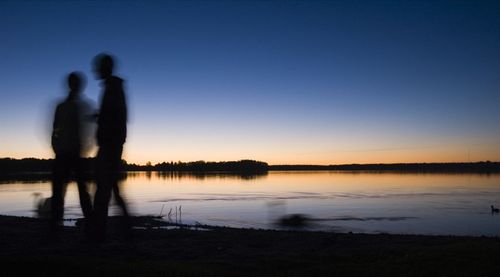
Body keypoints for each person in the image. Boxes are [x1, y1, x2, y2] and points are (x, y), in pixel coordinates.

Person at [91, 53, 130, 241]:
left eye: (98, 67)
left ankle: (99, 232)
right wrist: (99, 117)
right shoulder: (112, 87)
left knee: (103, 188)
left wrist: (104, 127)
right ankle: (124, 227)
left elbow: (117, 115)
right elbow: (114, 114)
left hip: (110, 145)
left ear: (106, 68)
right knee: (111, 188)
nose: (96, 70)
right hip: (111, 144)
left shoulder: (113, 87)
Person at [51, 72, 94, 236]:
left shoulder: (82, 106)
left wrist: (84, 148)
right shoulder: (63, 107)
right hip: (64, 152)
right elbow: (55, 129)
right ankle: (56, 226)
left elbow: (88, 130)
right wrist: (55, 146)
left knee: (80, 191)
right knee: (60, 191)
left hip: (75, 153)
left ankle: (89, 225)